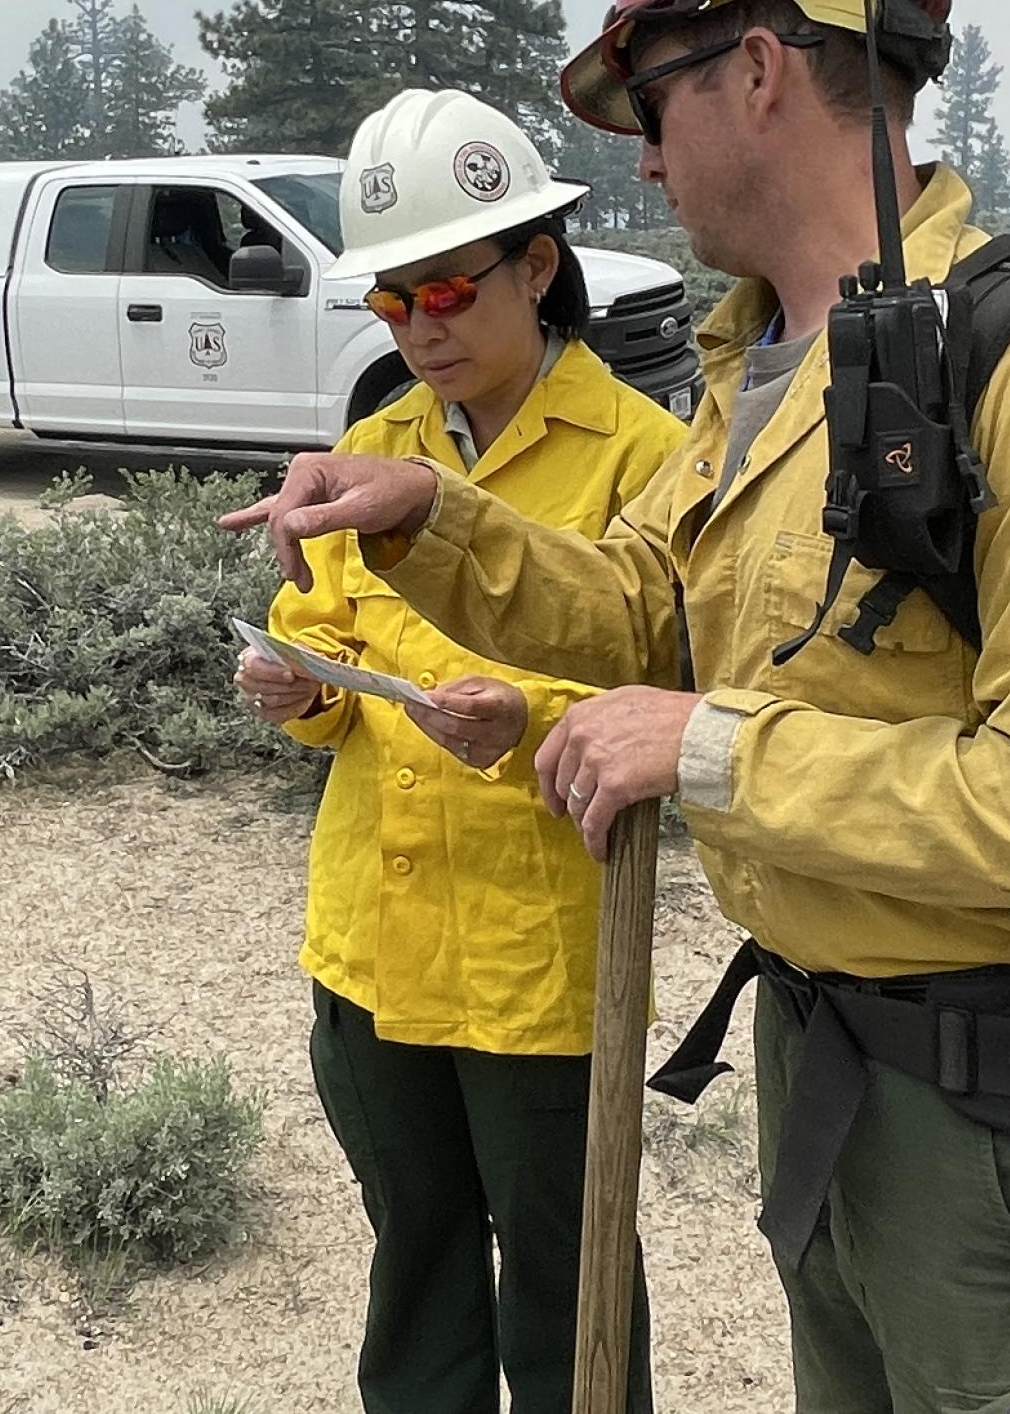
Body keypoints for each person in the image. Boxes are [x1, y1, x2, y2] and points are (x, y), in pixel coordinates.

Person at [226, 0, 1010, 1414]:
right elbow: (639, 611)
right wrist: (427, 511)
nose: (646, 170)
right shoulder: (762, 369)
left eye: (649, 109)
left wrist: (707, 747)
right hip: (829, 1067)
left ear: (755, 70)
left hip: (995, 1117)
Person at [236, 88, 683, 1414]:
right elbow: (322, 636)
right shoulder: (372, 452)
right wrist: (295, 690)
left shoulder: (648, 459)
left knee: (568, 1274)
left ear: (538, 264)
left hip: (539, 966)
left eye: (444, 289)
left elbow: (670, 687)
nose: (420, 327)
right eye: (390, 302)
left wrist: (528, 726)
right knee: (418, 1253)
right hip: (374, 949)